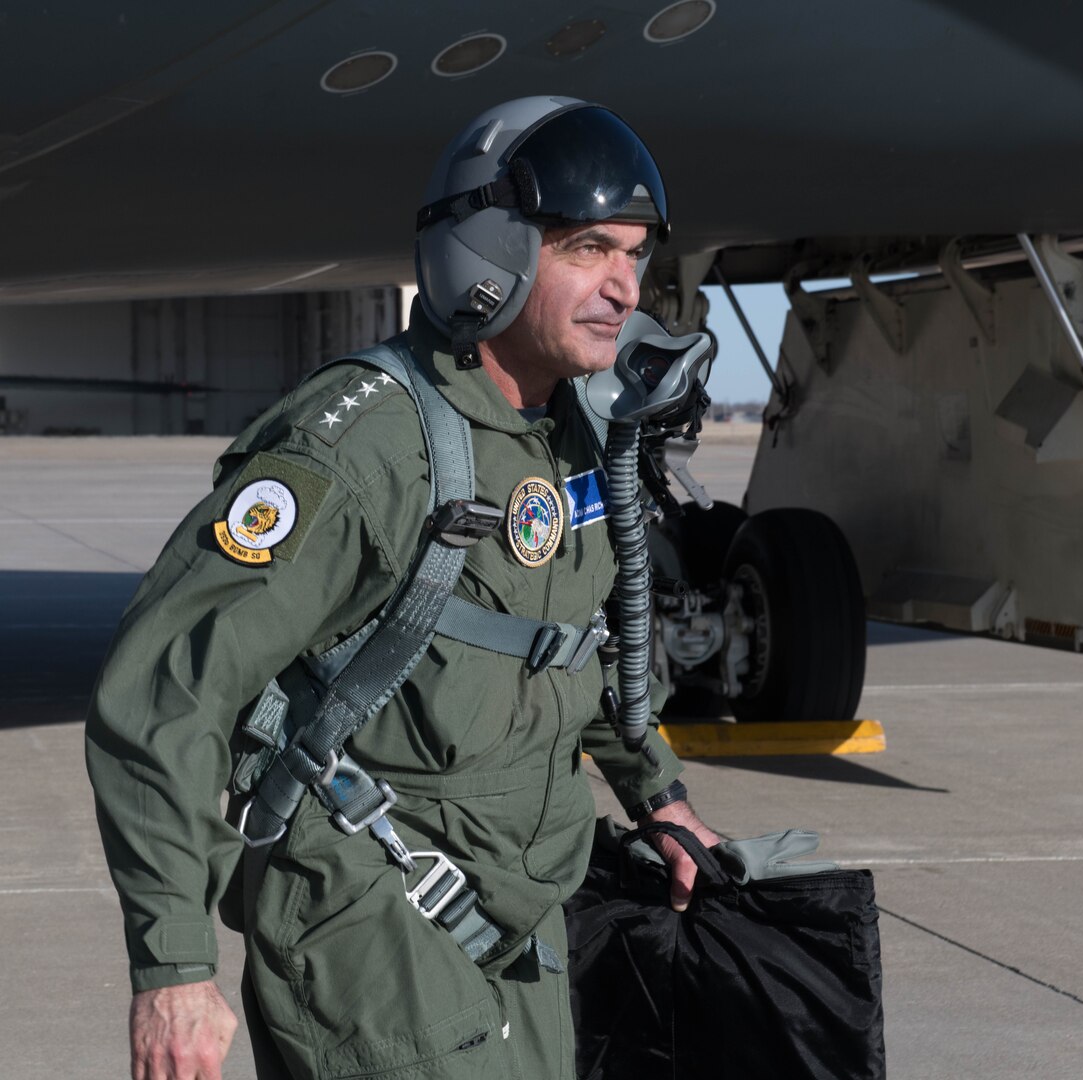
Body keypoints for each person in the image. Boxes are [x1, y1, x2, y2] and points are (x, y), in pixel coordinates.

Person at [85, 95, 720, 1080]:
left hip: (523, 904)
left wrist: (659, 797)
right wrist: (173, 963)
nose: (623, 287)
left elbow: (578, 644)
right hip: (373, 913)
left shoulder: (576, 437)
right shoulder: (367, 447)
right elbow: (166, 688)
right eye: (588, 248)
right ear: (490, 252)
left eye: (635, 255)